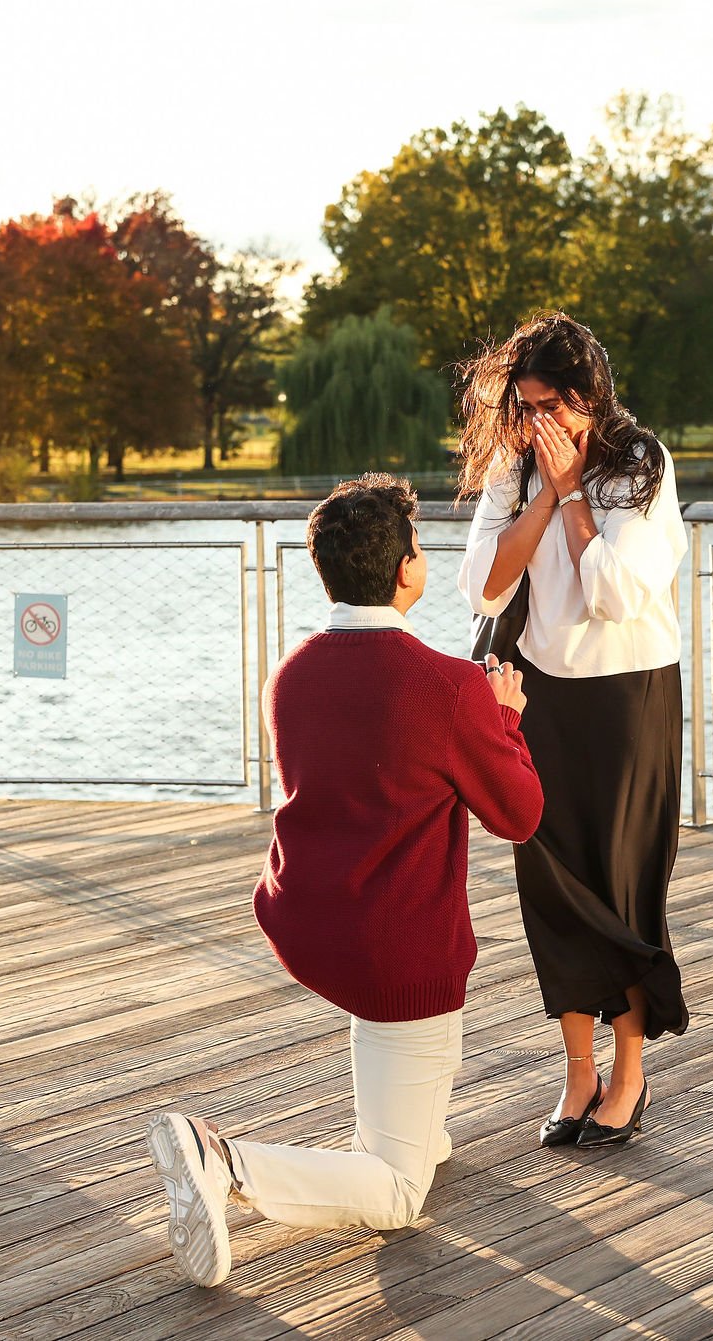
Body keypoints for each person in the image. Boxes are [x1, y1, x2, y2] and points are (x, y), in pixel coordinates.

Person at [145, 473, 543, 1287]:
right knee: (397, 1191)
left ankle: (416, 1127)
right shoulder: (451, 686)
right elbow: (519, 814)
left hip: (313, 924)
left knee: (419, 1121)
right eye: (420, 548)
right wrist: (505, 719)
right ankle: (226, 1161)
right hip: (396, 952)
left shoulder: (289, 674)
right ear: (405, 571)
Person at [455, 312, 689, 1151]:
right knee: (550, 887)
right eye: (522, 408)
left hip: (629, 698)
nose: (533, 423)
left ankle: (630, 1072)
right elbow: (482, 586)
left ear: (587, 397)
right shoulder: (514, 471)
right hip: (540, 698)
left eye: (548, 406)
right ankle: (578, 1070)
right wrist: (549, 492)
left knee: (620, 885)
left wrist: (579, 500)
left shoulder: (641, 467)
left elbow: (618, 594)